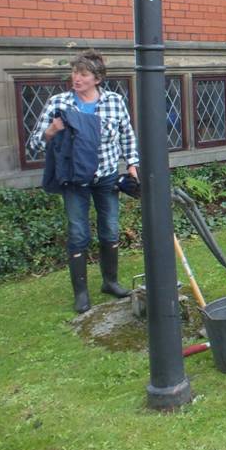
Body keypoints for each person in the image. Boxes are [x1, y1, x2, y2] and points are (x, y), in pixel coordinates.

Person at [28, 50, 139, 313]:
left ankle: (110, 283)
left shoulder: (114, 101)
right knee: (78, 234)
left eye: (83, 74)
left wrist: (133, 165)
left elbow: (127, 135)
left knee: (110, 230)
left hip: (107, 176)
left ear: (97, 78)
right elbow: (34, 143)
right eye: (75, 72)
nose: (76, 78)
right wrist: (52, 130)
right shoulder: (59, 103)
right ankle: (81, 294)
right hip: (74, 180)